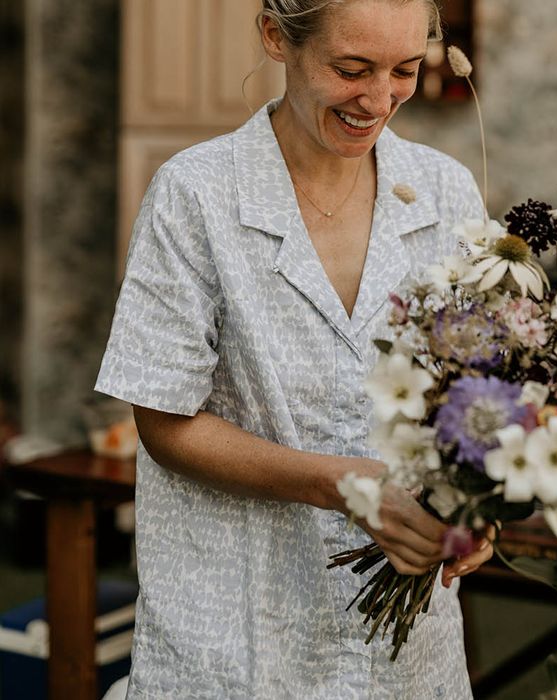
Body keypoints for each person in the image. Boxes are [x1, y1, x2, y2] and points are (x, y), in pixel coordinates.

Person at [96, 0, 492, 696]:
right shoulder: (195, 194)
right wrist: (344, 486)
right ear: (276, 36)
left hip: (406, 653)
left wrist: (476, 505)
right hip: (235, 636)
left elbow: (478, 401)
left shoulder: (446, 192)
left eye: (404, 69)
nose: (378, 99)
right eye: (351, 68)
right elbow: (163, 422)